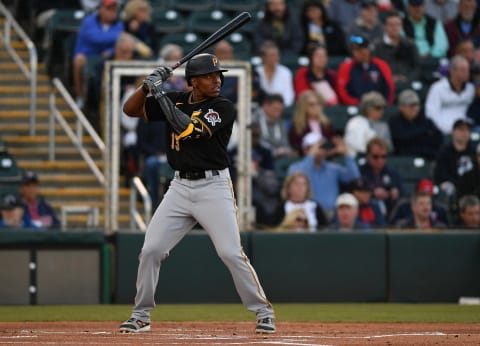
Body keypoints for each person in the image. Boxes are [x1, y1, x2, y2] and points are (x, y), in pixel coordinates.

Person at [118, 53, 275, 334]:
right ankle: (141, 314)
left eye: (218, 75)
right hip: (179, 186)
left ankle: (263, 310)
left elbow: (189, 129)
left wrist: (160, 94)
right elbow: (130, 110)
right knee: (151, 250)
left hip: (213, 187)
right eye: (209, 76)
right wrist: (145, 87)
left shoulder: (223, 107)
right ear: (193, 82)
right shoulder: (177, 98)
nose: (217, 80)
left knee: (230, 252)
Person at [287, 132, 360, 220]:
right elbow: (298, 177)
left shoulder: (333, 168)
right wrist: (311, 155)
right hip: (307, 214)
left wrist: (346, 154)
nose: (322, 150)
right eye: (319, 147)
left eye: (323, 147)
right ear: (306, 149)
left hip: (333, 215)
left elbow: (354, 178)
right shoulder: (296, 167)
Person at [72, 0, 124, 109]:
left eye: (114, 9)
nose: (112, 12)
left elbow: (120, 43)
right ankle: (79, 96)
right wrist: (117, 37)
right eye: (109, 9)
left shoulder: (119, 24)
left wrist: (110, 50)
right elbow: (95, 38)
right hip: (88, 56)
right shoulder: (89, 21)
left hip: (107, 57)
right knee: (78, 60)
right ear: (100, 9)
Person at [337, 34, 395, 105]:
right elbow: (342, 91)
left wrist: (385, 104)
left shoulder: (381, 65)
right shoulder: (345, 67)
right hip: (356, 106)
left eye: (360, 50)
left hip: (379, 106)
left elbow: (390, 88)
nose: (357, 53)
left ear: (368, 50)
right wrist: (356, 103)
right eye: (355, 50)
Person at [425, 55, 475, 134]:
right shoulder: (437, 88)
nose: (467, 73)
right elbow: (431, 114)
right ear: (452, 71)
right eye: (463, 70)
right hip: (443, 132)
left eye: (468, 70)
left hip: (467, 132)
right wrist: (445, 130)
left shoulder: (471, 89)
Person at [388, 89, 443, 160]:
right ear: (401, 107)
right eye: (411, 105)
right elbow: (400, 140)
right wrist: (423, 134)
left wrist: (412, 136)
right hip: (404, 159)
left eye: (416, 105)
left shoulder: (426, 121)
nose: (414, 108)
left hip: (427, 157)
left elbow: (438, 139)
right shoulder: (394, 122)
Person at [359, 137, 405, 217]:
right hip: (365, 214)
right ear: (367, 156)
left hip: (390, 214)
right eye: (375, 157)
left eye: (383, 156)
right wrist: (372, 194)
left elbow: (403, 194)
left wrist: (394, 194)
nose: (380, 160)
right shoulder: (360, 172)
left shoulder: (392, 173)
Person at [433, 118, 478, 197]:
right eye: (461, 129)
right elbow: (441, 176)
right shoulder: (444, 153)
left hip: (473, 186)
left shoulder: (474, 152)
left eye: (467, 130)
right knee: (447, 187)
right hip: (454, 186)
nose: (465, 133)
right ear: (453, 132)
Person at [373, 10, 421, 83]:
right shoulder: (377, 46)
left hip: (407, 84)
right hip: (385, 84)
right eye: (391, 25)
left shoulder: (410, 44)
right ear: (385, 26)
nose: (394, 28)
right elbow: (374, 69)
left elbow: (417, 67)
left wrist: (407, 79)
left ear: (401, 26)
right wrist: (389, 78)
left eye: (397, 24)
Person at [344, 91, 394, 157]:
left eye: (383, 108)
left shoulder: (382, 125)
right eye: (377, 108)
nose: (381, 111)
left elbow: (389, 148)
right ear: (367, 108)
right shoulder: (355, 123)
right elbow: (357, 148)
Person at [288, 90, 337, 156]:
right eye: (311, 104)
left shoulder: (327, 124)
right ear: (304, 106)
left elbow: (333, 142)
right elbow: (295, 146)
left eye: (318, 104)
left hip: (327, 157)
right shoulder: (297, 125)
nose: (316, 107)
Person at [252, 93, 297, 160]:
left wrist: (284, 150)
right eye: (275, 109)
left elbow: (284, 142)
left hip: (280, 155)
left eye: (280, 110)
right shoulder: (254, 119)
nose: (278, 113)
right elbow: (258, 142)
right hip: (262, 157)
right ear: (265, 106)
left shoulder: (281, 121)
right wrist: (274, 151)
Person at [255, 41, 295, 107]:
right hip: (261, 108)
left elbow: (289, 97)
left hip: (281, 109)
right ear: (264, 57)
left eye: (277, 55)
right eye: (272, 55)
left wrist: (277, 107)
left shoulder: (285, 72)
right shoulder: (257, 72)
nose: (276, 58)